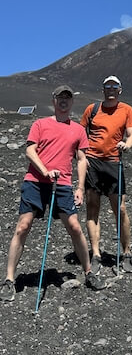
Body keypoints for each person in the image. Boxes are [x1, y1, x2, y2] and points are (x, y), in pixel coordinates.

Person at [0, 86, 105, 302]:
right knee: (23, 226)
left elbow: (82, 159)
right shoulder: (40, 124)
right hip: (36, 182)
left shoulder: (77, 130)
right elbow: (30, 150)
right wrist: (44, 170)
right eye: (60, 97)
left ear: (71, 102)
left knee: (75, 227)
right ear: (54, 100)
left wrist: (79, 187)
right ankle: (9, 279)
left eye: (67, 97)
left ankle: (88, 272)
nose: (64, 101)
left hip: (63, 184)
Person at [80, 75, 132, 274]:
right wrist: (82, 157)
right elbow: (80, 133)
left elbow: (131, 134)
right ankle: (95, 254)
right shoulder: (92, 109)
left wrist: (127, 145)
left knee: (120, 209)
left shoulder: (126, 109)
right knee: (92, 207)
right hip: (92, 162)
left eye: (114, 86)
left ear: (120, 90)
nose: (111, 89)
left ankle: (126, 253)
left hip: (114, 163)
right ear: (103, 89)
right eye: (107, 86)